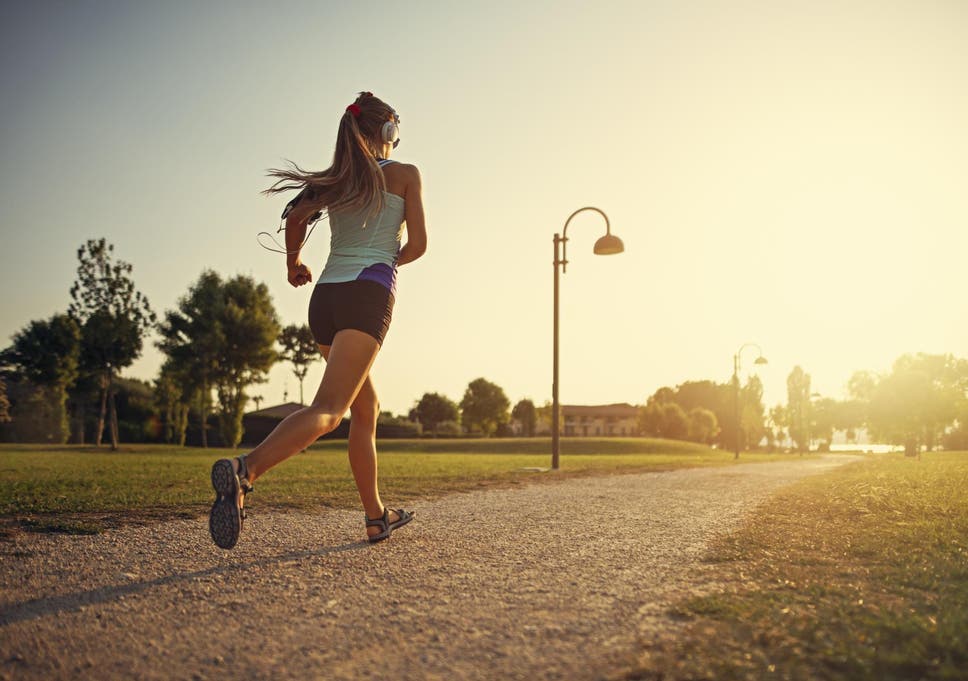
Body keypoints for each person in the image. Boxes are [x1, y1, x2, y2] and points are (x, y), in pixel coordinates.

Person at [209, 92, 427, 549]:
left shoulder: (333, 181)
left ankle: (376, 516)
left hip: (324, 299)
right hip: (367, 294)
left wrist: (294, 266)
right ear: (388, 132)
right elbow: (419, 245)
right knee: (329, 411)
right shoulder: (405, 174)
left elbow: (295, 218)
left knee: (365, 407)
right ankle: (245, 471)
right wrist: (385, 263)